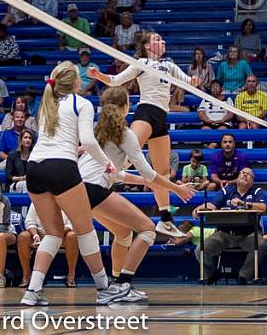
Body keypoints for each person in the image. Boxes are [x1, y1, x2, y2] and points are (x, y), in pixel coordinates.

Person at [18, 61, 129, 307]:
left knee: (54, 232)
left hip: (34, 168)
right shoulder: (83, 103)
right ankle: (104, 287)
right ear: (77, 82)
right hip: (62, 166)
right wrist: (107, 163)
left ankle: (32, 291)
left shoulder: (48, 103)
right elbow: (89, 141)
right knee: (85, 229)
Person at [79, 86, 194, 298]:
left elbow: (117, 174)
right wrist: (177, 188)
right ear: (126, 107)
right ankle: (124, 285)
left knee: (123, 233)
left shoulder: (98, 131)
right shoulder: (124, 133)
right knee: (148, 229)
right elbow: (150, 173)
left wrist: (143, 181)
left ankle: (114, 285)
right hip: (93, 189)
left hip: (78, 191)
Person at [89, 31, 201, 239]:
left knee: (163, 171)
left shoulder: (170, 65)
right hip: (146, 112)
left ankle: (165, 219)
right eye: (157, 39)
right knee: (127, 154)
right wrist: (98, 76)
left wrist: (194, 80)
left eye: (162, 38)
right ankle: (99, 179)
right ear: (148, 46)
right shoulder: (141, 63)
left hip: (161, 117)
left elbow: (188, 82)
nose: (163, 41)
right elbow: (115, 80)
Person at [193, 167, 267, 285]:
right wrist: (200, 207)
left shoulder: (257, 192)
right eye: (243, 173)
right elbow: (213, 205)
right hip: (224, 234)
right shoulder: (227, 190)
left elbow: (263, 208)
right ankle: (211, 274)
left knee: (261, 245)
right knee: (201, 249)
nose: (245, 175)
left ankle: (243, 276)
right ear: (238, 177)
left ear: (252, 181)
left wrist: (243, 203)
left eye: (249, 174)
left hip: (248, 234)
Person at [18, 204, 78, 289]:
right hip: (40, 235)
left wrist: (55, 234)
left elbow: (70, 225)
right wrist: (35, 235)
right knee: (23, 236)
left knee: (72, 236)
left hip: (60, 235)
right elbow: (29, 222)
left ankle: (71, 275)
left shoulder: (67, 200)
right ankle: (26, 275)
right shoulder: (36, 201)